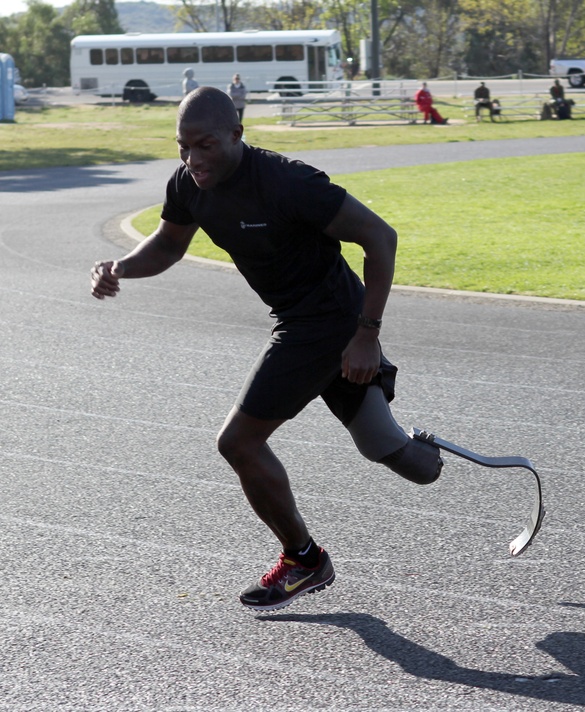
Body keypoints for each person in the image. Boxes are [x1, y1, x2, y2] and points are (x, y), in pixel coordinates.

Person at [90, 87, 445, 612]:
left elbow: (381, 237)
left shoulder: (288, 181)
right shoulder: (190, 183)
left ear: (237, 133)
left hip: (330, 323)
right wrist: (120, 267)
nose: (193, 159)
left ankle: (303, 559)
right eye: (183, 147)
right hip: (301, 321)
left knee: (238, 442)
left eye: (205, 145)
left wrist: (366, 334)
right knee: (397, 456)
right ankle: (422, 445)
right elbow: (167, 244)